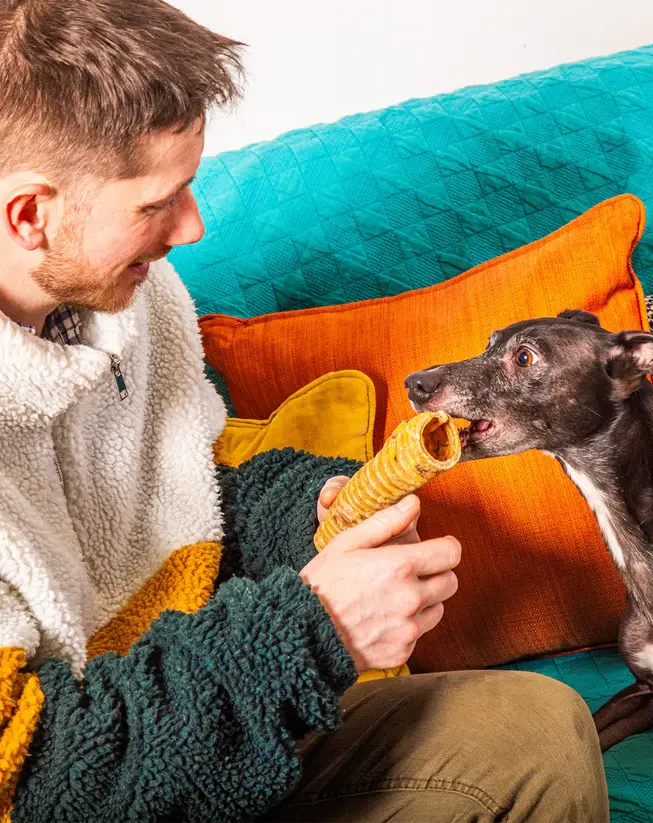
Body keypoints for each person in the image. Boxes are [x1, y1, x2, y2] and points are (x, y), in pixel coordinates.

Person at [0, 1, 608, 821]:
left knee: (531, 729)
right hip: (90, 782)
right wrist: (315, 633)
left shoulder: (125, 304)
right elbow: (44, 783)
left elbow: (186, 495)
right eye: (157, 203)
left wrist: (310, 513)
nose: (194, 225)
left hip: (192, 731)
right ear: (30, 214)